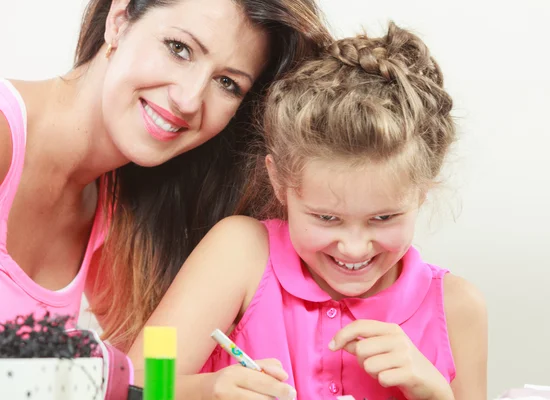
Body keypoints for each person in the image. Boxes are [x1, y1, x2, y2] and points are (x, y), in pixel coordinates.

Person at [127, 21, 488, 400]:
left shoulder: (456, 308)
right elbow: (131, 389)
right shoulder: (241, 254)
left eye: (383, 218)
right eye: (327, 218)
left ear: (422, 192)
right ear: (279, 182)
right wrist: (209, 390)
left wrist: (435, 396)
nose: (353, 248)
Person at [0, 0, 331, 351]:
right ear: (120, 19)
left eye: (227, 83)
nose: (189, 100)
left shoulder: (117, 212)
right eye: (179, 49)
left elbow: (148, 374)